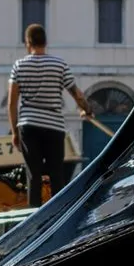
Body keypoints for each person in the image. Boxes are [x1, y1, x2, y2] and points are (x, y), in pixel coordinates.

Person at [9, 23, 92, 206]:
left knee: (34, 175)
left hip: (28, 125)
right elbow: (77, 94)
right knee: (56, 173)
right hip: (54, 126)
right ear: (45, 42)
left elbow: (12, 102)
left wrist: (15, 132)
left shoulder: (19, 66)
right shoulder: (59, 64)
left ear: (27, 42)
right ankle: (58, 213)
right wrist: (87, 109)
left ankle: (34, 216)